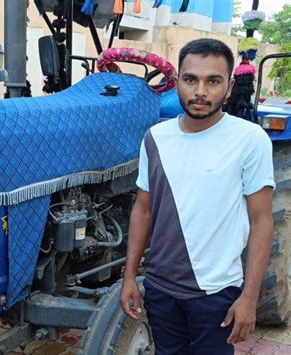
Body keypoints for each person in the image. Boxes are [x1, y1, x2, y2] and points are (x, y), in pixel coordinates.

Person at [120, 38, 275, 355]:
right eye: (191, 79)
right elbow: (143, 209)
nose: (200, 91)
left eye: (213, 81)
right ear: (177, 82)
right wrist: (129, 277)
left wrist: (249, 297)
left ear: (229, 86)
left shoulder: (249, 140)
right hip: (161, 289)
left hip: (216, 292)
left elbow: (262, 221)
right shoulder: (155, 138)